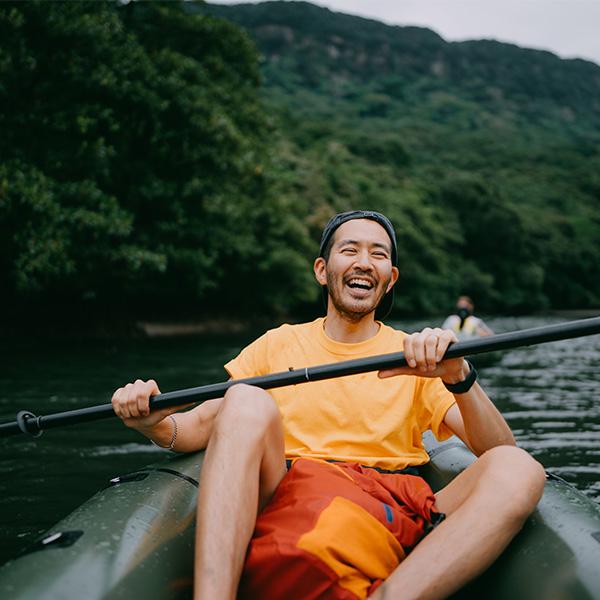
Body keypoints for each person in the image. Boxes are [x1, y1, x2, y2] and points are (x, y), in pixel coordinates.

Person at [111, 210, 545, 599]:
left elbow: (498, 451)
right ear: (323, 270)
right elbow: (196, 426)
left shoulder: (417, 355)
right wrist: (152, 422)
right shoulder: (277, 343)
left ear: (390, 278)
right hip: (290, 493)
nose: (363, 262)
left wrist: (458, 375)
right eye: (349, 249)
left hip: (391, 502)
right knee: (243, 398)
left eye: (378, 254)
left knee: (521, 468)